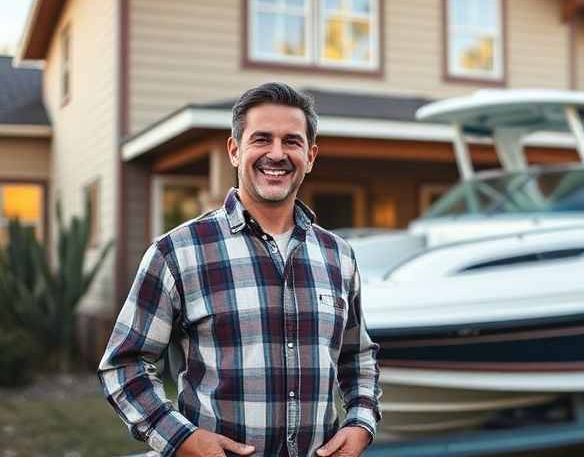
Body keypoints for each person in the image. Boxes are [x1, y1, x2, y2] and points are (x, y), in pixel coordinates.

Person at [98, 82, 381, 457]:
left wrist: (361, 421)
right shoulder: (178, 252)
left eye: (291, 142)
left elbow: (357, 356)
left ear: (310, 156)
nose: (277, 154)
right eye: (261, 139)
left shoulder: (338, 255)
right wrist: (181, 439)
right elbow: (124, 364)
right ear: (235, 150)